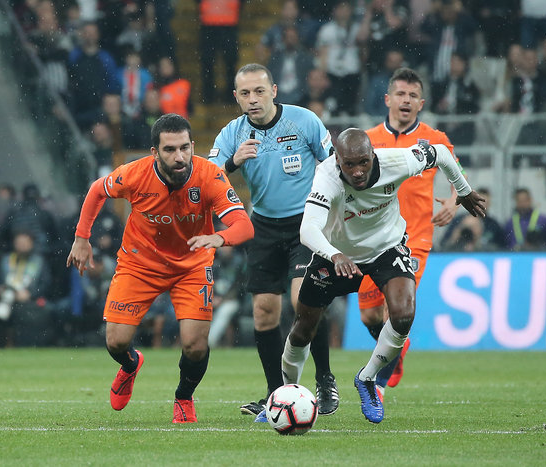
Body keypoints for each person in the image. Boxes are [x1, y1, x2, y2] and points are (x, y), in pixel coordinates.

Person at [281, 129, 485, 423]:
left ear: (373, 156)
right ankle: (286, 394)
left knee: (403, 315)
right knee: (302, 329)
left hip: (386, 249)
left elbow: (440, 152)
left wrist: (463, 191)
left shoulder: (398, 161)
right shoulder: (326, 176)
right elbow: (308, 230)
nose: (357, 171)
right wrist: (335, 255)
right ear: (337, 160)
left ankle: (367, 378)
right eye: (349, 164)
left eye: (363, 162)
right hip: (338, 255)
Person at [66, 113, 253, 423]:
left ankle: (183, 397)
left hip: (192, 266)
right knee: (115, 342)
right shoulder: (134, 174)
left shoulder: (210, 176)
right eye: (169, 150)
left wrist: (219, 237)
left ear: (192, 145)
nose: (179, 157)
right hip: (140, 264)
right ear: (155, 152)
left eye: (184, 148)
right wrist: (81, 238)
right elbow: (97, 190)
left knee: (195, 346)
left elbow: (244, 226)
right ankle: (130, 365)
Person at [208, 63, 339, 420]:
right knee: (264, 312)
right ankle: (275, 393)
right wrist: (233, 162)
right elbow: (207, 178)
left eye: (259, 91)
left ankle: (324, 379)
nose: (253, 99)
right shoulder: (232, 134)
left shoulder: (303, 121)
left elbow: (334, 166)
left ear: (274, 91)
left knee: (302, 300)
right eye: (245, 93)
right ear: (236, 97)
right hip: (263, 226)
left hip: (306, 224)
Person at [356, 67, 464, 391]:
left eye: (413, 95)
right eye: (401, 94)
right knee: (369, 316)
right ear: (387, 99)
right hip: (372, 239)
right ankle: (396, 349)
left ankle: (376, 382)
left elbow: (458, 176)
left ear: (421, 104)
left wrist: (453, 201)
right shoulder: (368, 139)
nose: (406, 100)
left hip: (414, 238)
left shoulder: (435, 139)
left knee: (395, 308)